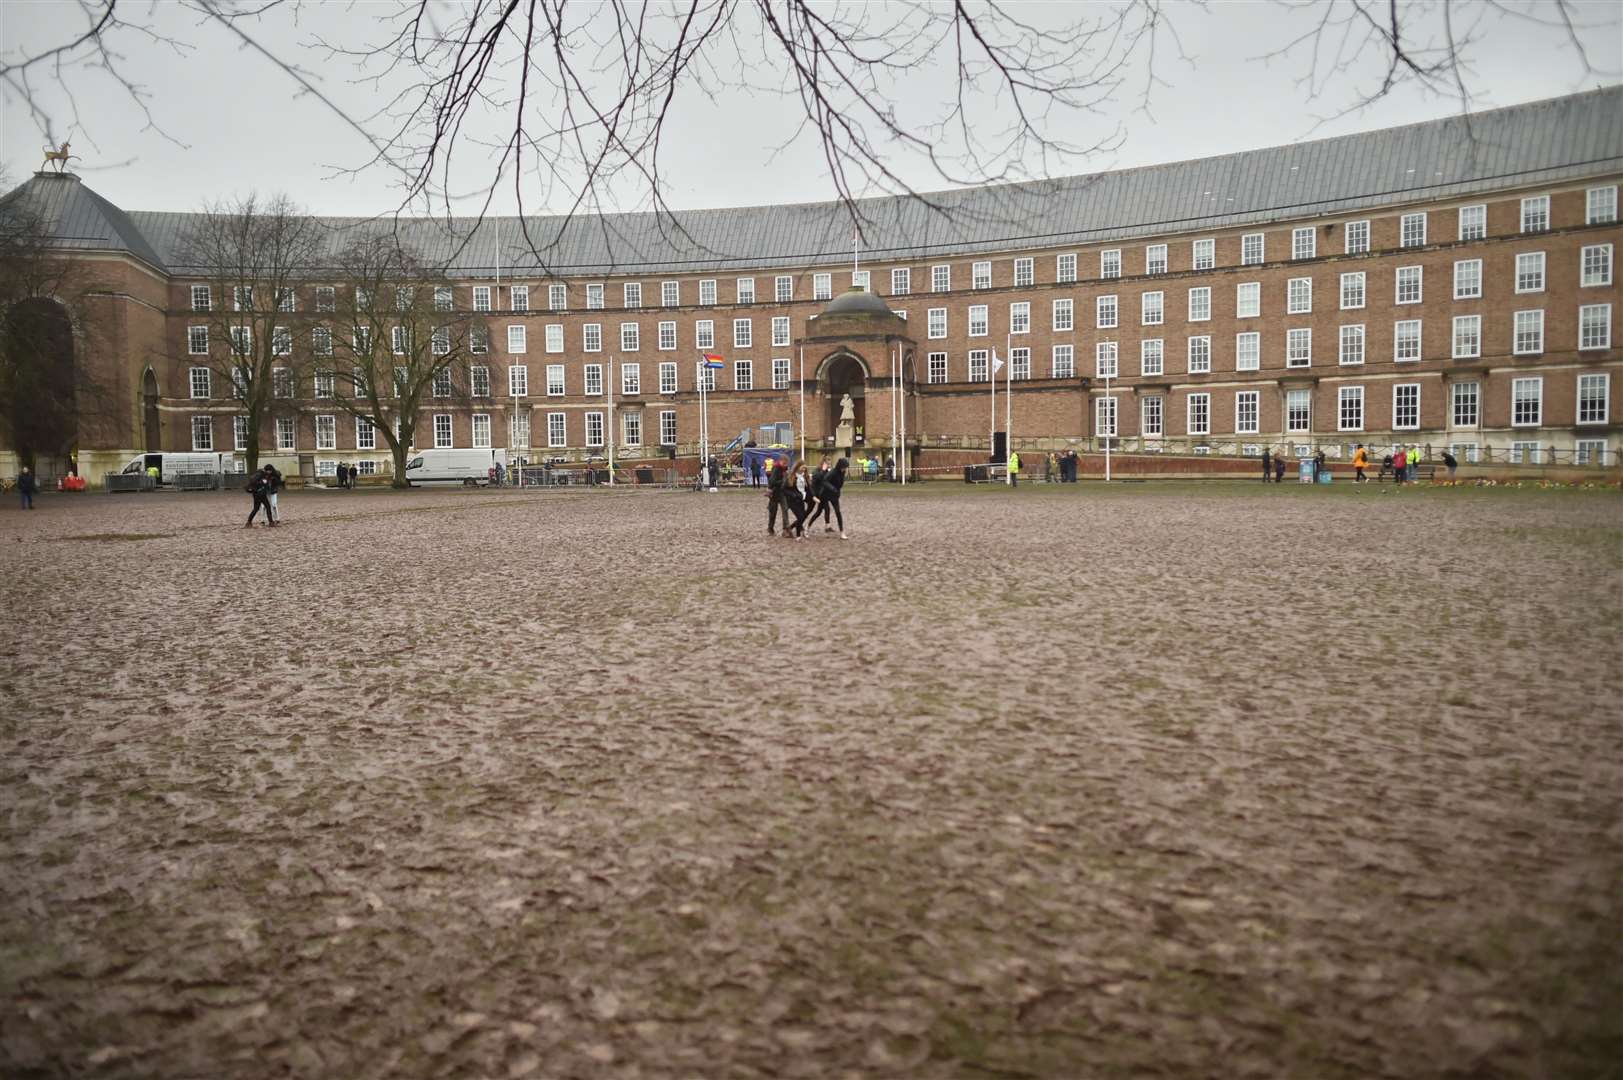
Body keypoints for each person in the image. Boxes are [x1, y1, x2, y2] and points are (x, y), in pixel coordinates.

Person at [784, 462, 811, 538]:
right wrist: (794, 495)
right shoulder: (792, 476)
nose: (804, 469)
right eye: (803, 467)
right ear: (798, 467)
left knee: (802, 517)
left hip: (801, 499)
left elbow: (807, 488)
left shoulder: (804, 476)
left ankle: (789, 528)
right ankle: (798, 535)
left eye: (805, 468)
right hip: (792, 500)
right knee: (800, 517)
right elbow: (784, 489)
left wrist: (811, 496)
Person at [766, 457, 788, 537]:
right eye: (784, 463)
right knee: (773, 512)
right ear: (781, 461)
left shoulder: (784, 469)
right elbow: (772, 481)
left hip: (782, 493)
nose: (785, 465)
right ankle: (770, 528)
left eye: (786, 463)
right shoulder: (776, 469)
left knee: (785, 509)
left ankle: (785, 529)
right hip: (774, 493)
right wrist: (782, 481)